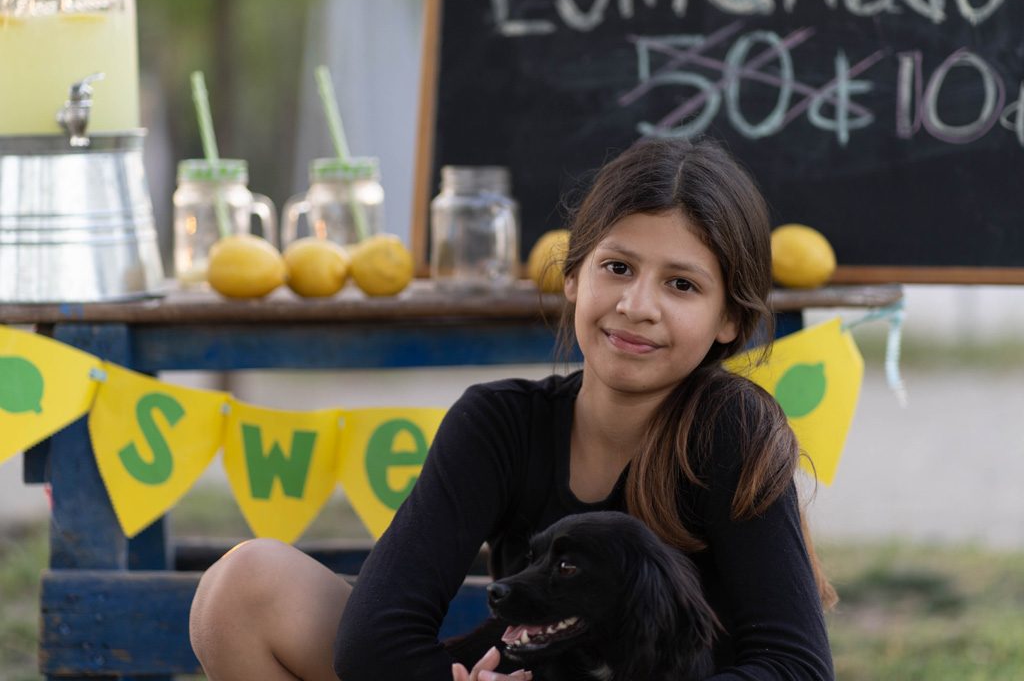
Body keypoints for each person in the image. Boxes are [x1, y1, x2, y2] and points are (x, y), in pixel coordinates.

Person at [189, 136, 837, 681]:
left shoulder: (732, 431)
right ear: (573, 276)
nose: (638, 305)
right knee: (241, 588)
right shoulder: (499, 424)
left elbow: (795, 666)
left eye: (681, 284)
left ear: (729, 318)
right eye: (617, 267)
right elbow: (375, 638)